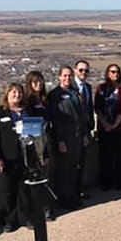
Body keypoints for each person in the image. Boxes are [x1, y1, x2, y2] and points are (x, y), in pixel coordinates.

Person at [0, 83, 31, 232]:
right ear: (7, 94)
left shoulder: (27, 111)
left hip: (24, 157)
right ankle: (10, 220)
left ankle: (25, 218)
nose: (17, 94)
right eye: (13, 92)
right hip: (6, 159)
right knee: (7, 191)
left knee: (24, 189)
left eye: (19, 92)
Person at [48, 66, 89, 209]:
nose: (67, 78)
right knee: (63, 170)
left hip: (77, 137)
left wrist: (84, 134)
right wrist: (60, 140)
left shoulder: (74, 92)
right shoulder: (55, 95)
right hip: (65, 138)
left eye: (70, 76)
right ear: (59, 77)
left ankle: (72, 196)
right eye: (65, 76)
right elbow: (55, 120)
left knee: (73, 168)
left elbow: (82, 116)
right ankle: (65, 200)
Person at [24, 71, 55, 221]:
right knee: (36, 176)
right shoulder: (26, 103)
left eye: (41, 81)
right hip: (33, 143)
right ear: (29, 83)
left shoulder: (45, 100)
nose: (38, 84)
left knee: (46, 176)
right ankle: (38, 210)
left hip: (46, 140)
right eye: (35, 82)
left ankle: (47, 208)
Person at [94, 64, 121, 190]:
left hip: (119, 128)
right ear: (108, 73)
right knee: (105, 156)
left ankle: (120, 181)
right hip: (104, 128)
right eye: (112, 72)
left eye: (117, 72)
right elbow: (97, 107)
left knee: (120, 156)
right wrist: (105, 124)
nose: (115, 74)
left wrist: (113, 125)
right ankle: (106, 182)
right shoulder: (101, 88)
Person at [73, 60, 94, 199]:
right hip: (73, 133)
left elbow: (88, 109)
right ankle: (71, 193)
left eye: (86, 71)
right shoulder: (70, 87)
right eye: (81, 70)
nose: (83, 73)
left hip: (86, 130)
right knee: (72, 166)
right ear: (75, 70)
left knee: (81, 163)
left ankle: (79, 191)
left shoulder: (88, 87)